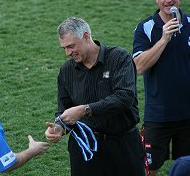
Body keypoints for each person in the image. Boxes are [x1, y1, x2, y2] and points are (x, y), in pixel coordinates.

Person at [45, 17, 145, 176]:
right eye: (64, 48)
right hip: (85, 150)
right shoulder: (66, 71)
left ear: (86, 36)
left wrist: (85, 110)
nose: (67, 53)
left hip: (123, 146)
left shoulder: (119, 58)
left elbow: (124, 98)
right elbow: (65, 110)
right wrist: (59, 127)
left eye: (71, 46)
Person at [132, 0, 190, 175]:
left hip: (188, 115)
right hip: (159, 115)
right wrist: (164, 39)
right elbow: (139, 66)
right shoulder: (146, 28)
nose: (168, 0)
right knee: (149, 170)